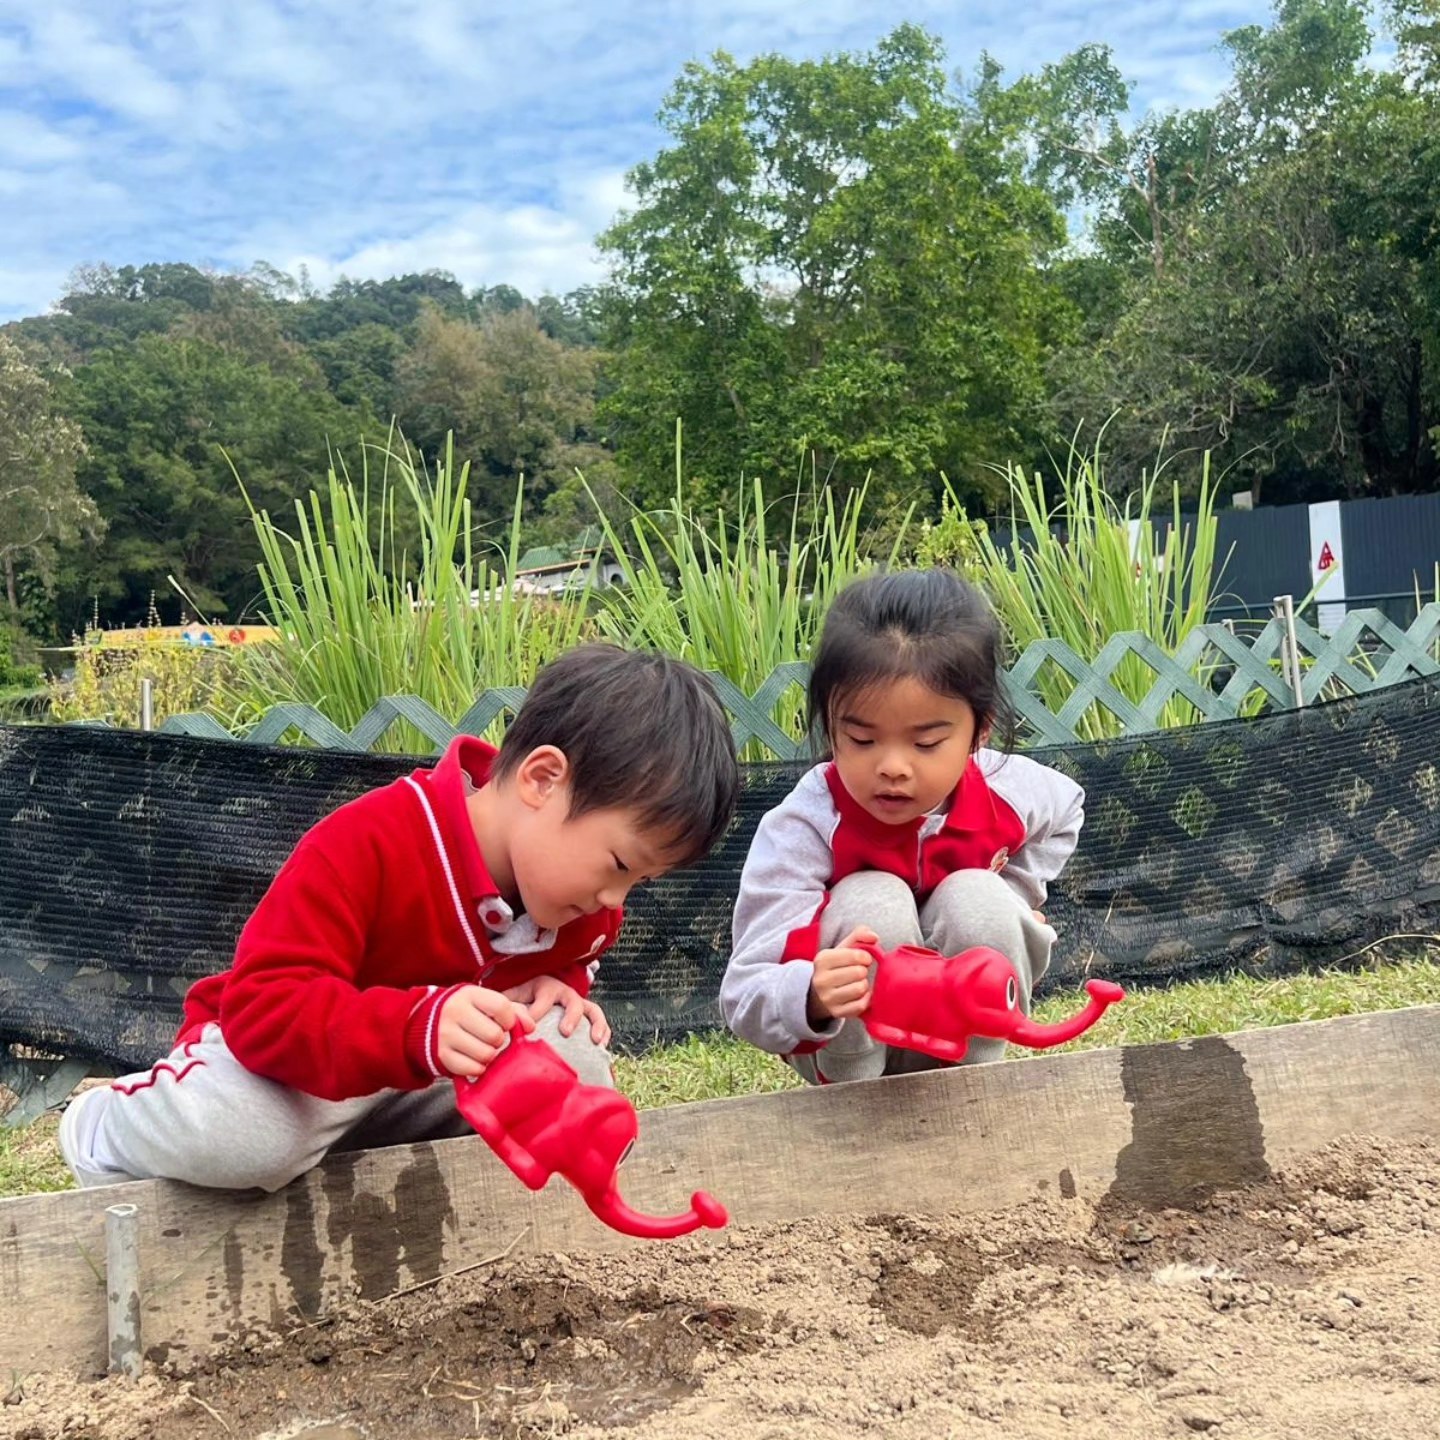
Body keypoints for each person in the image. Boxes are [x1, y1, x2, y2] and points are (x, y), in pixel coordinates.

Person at [60, 643, 739, 1191]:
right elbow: (262, 1008)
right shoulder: (373, 841)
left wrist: (558, 988)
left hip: (406, 1090)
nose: (616, 902)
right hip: (288, 1068)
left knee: (576, 1058)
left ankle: (376, 1170)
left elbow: (554, 975)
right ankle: (103, 1125)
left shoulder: (580, 906)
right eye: (619, 865)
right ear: (541, 779)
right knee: (255, 1141)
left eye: (640, 882)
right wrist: (420, 1026)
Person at [721, 568, 1083, 1083]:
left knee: (979, 898)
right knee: (874, 901)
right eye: (862, 740)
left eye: (926, 743)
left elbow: (1067, 810)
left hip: (959, 1031)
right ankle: (858, 1096)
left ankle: (977, 1080)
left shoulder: (1011, 790)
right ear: (829, 724)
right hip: (848, 1055)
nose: (892, 767)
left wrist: (1016, 898)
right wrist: (809, 994)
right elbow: (743, 992)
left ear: (979, 731)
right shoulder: (805, 826)